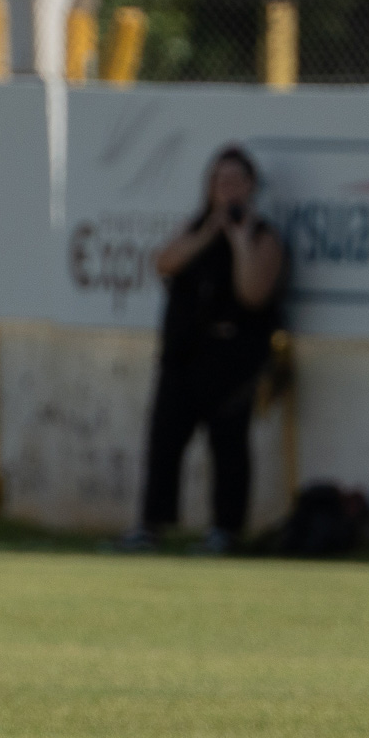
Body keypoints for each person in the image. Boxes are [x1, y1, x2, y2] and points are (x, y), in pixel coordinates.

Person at [123, 145, 286, 555]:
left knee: (229, 445)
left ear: (250, 186)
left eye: (235, 181)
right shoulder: (196, 228)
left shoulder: (263, 237)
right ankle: (152, 527)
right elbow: (165, 263)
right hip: (183, 353)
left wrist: (239, 239)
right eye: (219, 181)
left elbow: (253, 292)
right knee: (165, 440)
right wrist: (210, 231)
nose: (226, 189)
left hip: (233, 359)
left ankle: (225, 531)